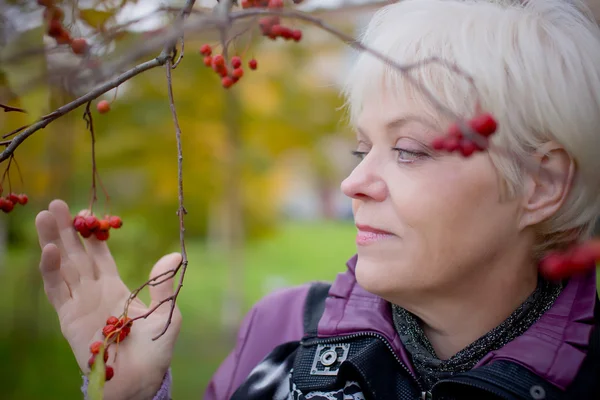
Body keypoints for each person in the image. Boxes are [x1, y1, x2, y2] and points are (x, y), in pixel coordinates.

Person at [34, 0, 600, 399]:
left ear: (540, 183)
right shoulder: (279, 334)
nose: (354, 183)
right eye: (361, 150)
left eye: (408, 149)